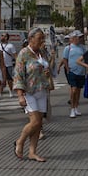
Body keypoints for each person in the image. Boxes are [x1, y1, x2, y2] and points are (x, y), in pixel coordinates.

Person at [13, 27, 51, 162]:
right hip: (28, 92)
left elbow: (47, 68)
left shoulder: (41, 53)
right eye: (39, 38)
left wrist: (47, 72)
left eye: (43, 38)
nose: (42, 40)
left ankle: (32, 152)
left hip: (41, 90)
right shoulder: (23, 54)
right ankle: (20, 141)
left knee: (38, 123)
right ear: (31, 39)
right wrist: (20, 95)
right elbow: (18, 75)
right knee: (34, 121)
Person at [62, 30, 85, 118]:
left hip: (81, 71)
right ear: (74, 38)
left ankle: (76, 106)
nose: (79, 39)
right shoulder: (68, 48)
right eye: (78, 37)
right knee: (74, 89)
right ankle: (72, 108)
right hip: (72, 71)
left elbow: (85, 57)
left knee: (78, 90)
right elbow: (65, 59)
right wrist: (67, 69)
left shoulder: (82, 47)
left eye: (80, 37)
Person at [0, 32, 17, 98]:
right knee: (0, 79)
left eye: (4, 36)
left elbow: (15, 55)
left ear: (7, 38)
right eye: (1, 35)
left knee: (9, 79)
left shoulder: (11, 45)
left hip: (8, 65)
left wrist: (17, 63)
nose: (2, 37)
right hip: (0, 65)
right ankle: (0, 92)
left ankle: (11, 91)